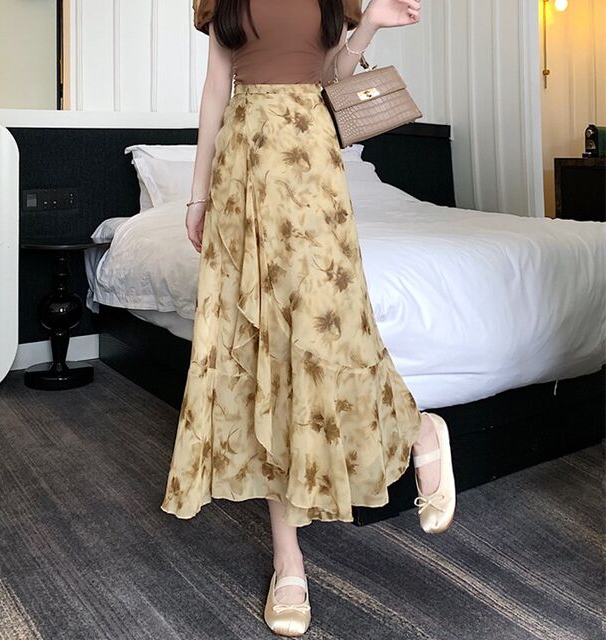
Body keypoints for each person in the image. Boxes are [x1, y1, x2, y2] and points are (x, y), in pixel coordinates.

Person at [161, 0, 456, 635]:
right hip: (242, 170)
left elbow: (332, 78)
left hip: (311, 165)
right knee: (263, 349)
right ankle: (287, 562)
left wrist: (368, 23)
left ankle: (419, 430)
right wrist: (198, 194)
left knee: (333, 328)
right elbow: (215, 90)